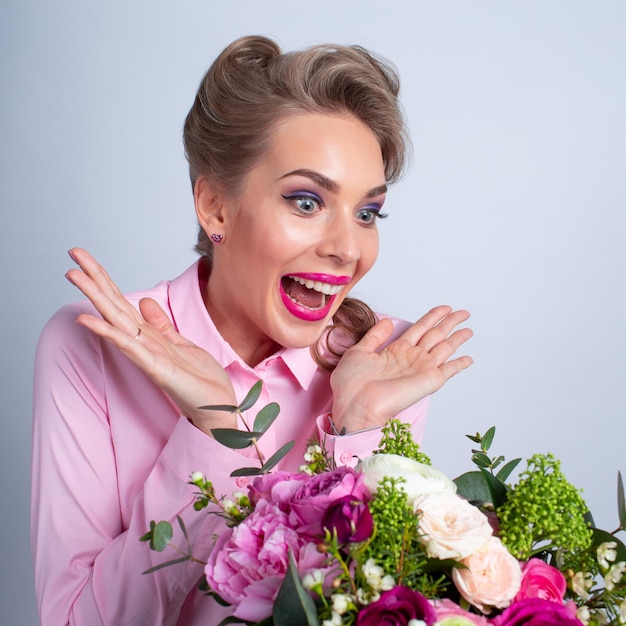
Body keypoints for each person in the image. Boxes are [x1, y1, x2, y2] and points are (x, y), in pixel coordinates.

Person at [31, 35, 473, 625]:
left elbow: (372, 605)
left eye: (368, 213)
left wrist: (358, 428)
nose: (348, 249)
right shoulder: (94, 346)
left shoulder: (380, 362)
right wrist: (216, 432)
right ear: (215, 207)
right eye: (307, 201)